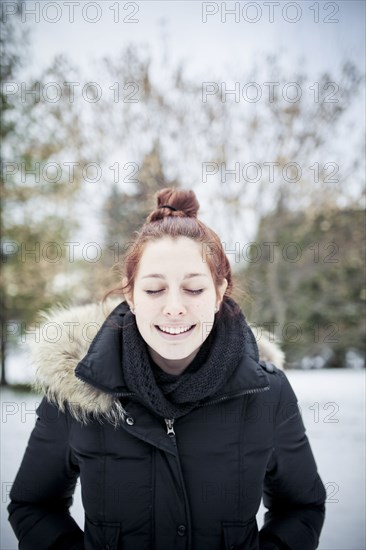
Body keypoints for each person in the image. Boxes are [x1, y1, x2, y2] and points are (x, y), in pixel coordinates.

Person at [8, 188, 326, 550]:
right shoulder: (78, 389)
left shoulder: (267, 394)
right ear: (130, 295)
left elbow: (301, 507)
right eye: (155, 290)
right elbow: (33, 506)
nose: (174, 307)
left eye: (193, 289)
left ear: (220, 293)